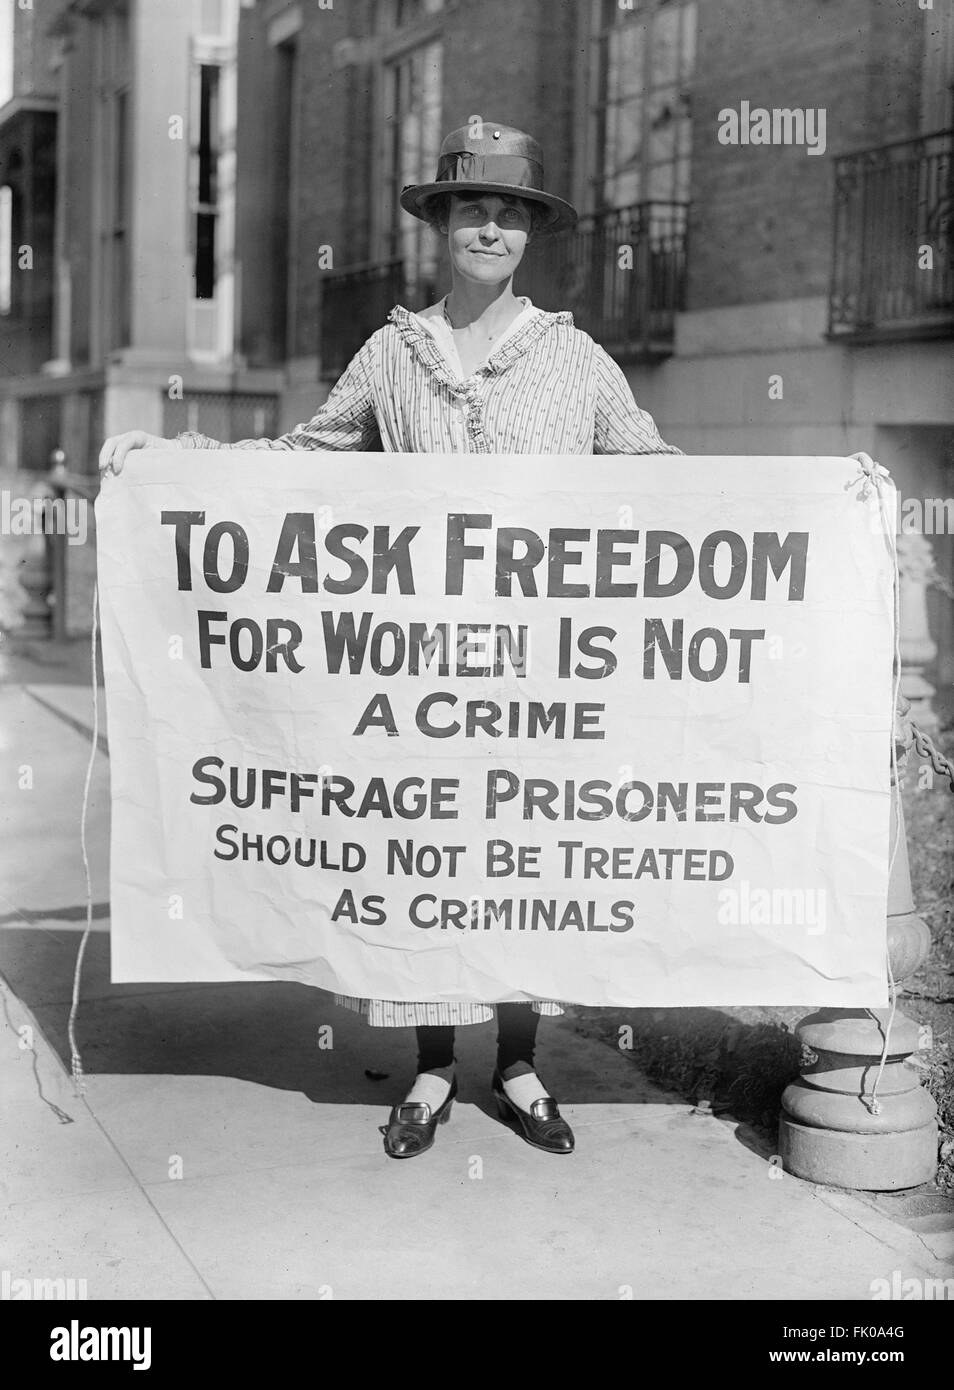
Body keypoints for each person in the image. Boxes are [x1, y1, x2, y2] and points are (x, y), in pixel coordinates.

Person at [99, 121, 684, 1161]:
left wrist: (817, 503)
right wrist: (171, 461)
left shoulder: (576, 358)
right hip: (416, 673)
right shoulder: (394, 353)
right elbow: (299, 456)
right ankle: (429, 1068)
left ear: (531, 231)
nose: (490, 227)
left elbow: (657, 476)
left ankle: (516, 1064)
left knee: (520, 865)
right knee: (424, 860)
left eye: (509, 211)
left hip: (537, 673)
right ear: (442, 224)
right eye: (472, 209)